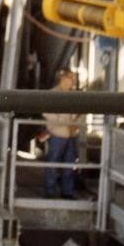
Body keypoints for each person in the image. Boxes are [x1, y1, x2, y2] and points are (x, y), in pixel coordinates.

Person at [40, 67, 81, 199]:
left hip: (71, 134)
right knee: (53, 162)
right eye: (70, 78)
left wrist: (76, 123)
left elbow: (79, 112)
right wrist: (63, 121)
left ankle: (67, 191)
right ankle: (50, 191)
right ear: (62, 78)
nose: (73, 81)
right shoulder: (52, 94)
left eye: (73, 78)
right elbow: (46, 112)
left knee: (69, 163)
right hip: (57, 133)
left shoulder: (75, 95)